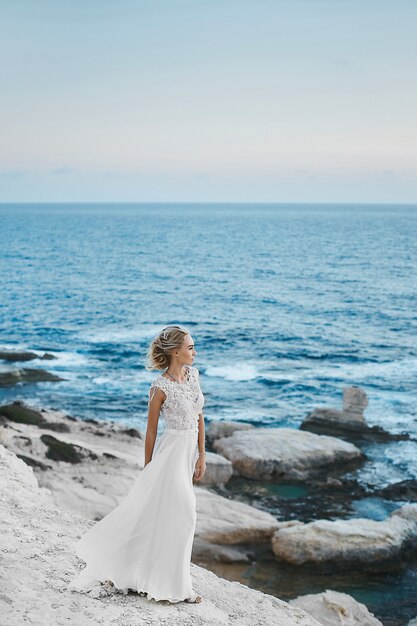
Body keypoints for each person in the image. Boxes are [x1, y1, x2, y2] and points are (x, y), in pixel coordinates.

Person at [68, 325, 206, 603]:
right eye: (190, 347)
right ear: (175, 352)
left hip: (188, 453)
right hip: (170, 456)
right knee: (184, 514)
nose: (195, 352)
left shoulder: (193, 376)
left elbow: (200, 415)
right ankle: (175, 588)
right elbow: (152, 431)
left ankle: (162, 579)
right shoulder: (159, 387)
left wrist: (202, 454)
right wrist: (148, 468)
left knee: (169, 516)